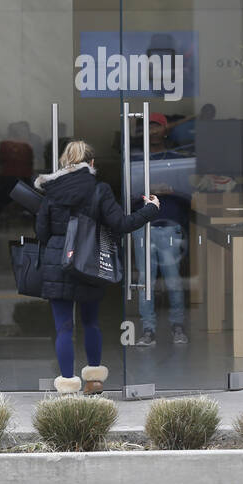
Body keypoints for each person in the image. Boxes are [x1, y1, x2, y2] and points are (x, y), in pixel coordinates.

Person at [34, 140, 159, 395]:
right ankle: (94, 381)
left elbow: (41, 232)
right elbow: (121, 224)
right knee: (91, 323)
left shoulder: (52, 190)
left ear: (64, 162)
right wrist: (150, 209)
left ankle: (67, 387)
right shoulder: (99, 190)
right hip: (88, 262)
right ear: (92, 164)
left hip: (58, 263)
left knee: (63, 328)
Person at [133, 113, 191, 347]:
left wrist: (171, 190)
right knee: (146, 282)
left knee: (174, 281)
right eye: (149, 127)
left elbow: (189, 195)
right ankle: (148, 330)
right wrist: (148, 191)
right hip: (143, 227)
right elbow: (126, 196)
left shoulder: (177, 159)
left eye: (157, 127)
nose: (153, 131)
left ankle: (178, 327)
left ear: (165, 130)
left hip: (170, 227)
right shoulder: (135, 160)